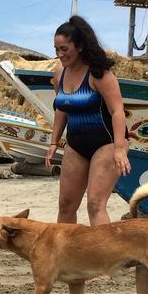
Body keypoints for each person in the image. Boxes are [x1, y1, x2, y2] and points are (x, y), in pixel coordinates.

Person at [44, 15, 130, 225]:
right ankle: (66, 255)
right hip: (76, 142)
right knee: (66, 204)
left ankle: (106, 257)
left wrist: (119, 149)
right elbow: (61, 109)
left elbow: (117, 111)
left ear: (80, 46)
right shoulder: (59, 74)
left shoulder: (98, 73)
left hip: (106, 142)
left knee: (95, 204)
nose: (59, 54)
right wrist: (54, 142)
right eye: (56, 49)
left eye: (64, 49)